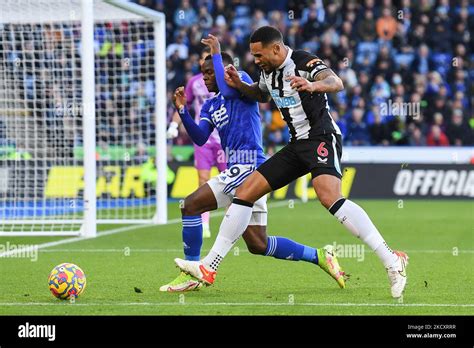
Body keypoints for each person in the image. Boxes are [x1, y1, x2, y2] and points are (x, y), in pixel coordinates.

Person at [175, 26, 408, 299]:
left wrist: (312, 85)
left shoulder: (303, 61)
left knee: (329, 198)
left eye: (259, 54)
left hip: (322, 136)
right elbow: (261, 94)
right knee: (246, 192)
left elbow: (336, 82)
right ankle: (209, 267)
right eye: (253, 55)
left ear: (276, 48)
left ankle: (392, 260)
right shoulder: (266, 72)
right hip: (297, 144)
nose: (256, 60)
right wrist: (241, 85)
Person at [160, 34, 345, 292]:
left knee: (190, 205)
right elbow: (201, 138)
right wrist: (182, 111)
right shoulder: (210, 106)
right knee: (258, 244)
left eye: (209, 72)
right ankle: (320, 256)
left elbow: (229, 88)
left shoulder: (243, 82)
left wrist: (216, 49)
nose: (204, 78)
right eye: (202, 74)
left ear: (224, 70)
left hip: (249, 165)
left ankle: (192, 272)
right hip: (241, 171)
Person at [167, 47, 226, 238]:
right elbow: (183, 104)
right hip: (204, 138)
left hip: (224, 138)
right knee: (203, 180)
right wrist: (174, 125)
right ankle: (205, 224)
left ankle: (232, 223)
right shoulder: (194, 82)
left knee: (230, 182)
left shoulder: (225, 80)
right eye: (202, 58)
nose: (203, 61)